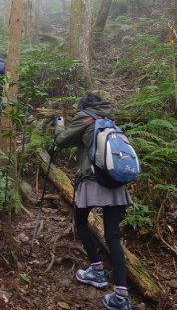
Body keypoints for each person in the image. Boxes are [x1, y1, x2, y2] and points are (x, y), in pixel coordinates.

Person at [54, 93, 133, 310]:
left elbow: (61, 142)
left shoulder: (84, 117)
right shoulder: (109, 120)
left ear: (83, 105)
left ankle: (97, 271)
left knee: (80, 221)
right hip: (116, 181)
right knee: (113, 236)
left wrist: (59, 125)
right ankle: (121, 297)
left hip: (92, 180)